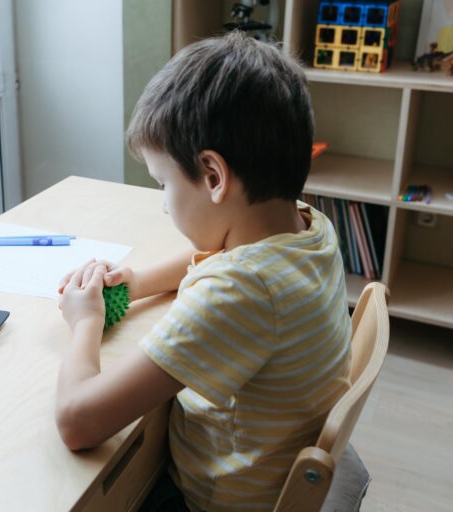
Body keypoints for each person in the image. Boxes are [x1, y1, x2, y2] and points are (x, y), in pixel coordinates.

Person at [55, 32, 351, 512]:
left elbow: (77, 421)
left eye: (163, 183)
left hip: (214, 500)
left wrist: (85, 322)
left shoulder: (241, 294)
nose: (164, 207)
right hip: (269, 467)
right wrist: (136, 280)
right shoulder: (303, 225)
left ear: (214, 177)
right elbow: (225, 258)